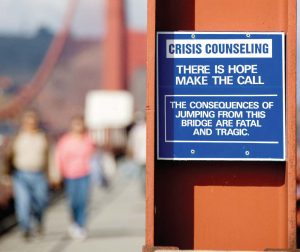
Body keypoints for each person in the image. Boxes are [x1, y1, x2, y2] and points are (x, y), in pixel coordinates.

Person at [5, 109, 49, 240]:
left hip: (39, 174)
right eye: (27, 121)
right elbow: (8, 157)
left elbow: (50, 156)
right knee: (23, 203)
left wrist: (54, 174)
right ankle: (25, 228)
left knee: (40, 202)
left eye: (33, 121)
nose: (30, 124)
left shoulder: (43, 137)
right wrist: (5, 175)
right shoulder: (17, 138)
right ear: (23, 123)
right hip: (21, 175)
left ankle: (39, 221)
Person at [55, 115, 94, 240]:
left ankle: (81, 226)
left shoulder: (88, 140)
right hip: (70, 175)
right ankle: (74, 222)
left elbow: (95, 157)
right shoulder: (65, 141)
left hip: (85, 174)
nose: (78, 126)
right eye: (76, 124)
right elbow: (59, 158)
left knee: (83, 201)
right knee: (73, 202)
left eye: (80, 124)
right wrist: (58, 174)